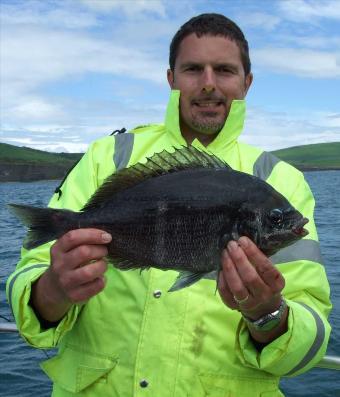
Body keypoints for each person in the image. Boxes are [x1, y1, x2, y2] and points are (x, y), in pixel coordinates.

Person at [7, 13, 331, 397]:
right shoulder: (107, 157)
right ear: (171, 79)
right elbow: (30, 290)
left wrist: (268, 315)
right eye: (193, 69)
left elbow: (311, 339)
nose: (209, 84)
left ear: (247, 82)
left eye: (224, 70)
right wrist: (53, 291)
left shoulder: (283, 179)